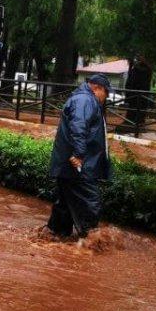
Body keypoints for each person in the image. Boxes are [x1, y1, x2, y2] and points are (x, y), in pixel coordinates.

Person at [46, 74, 113, 239]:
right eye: (106, 93)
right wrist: (79, 154)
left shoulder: (83, 99)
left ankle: (54, 236)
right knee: (90, 201)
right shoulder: (85, 100)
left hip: (70, 165)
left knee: (64, 205)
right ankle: (92, 242)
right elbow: (78, 126)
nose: (106, 98)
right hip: (78, 165)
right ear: (97, 88)